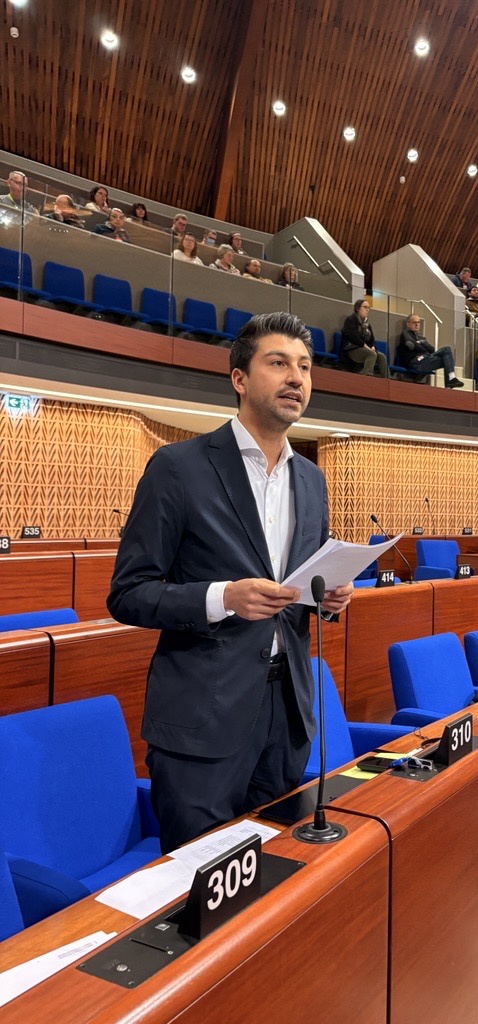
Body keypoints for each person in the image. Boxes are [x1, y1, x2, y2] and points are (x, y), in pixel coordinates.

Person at [107, 311, 354, 854]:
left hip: (287, 712)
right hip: (203, 715)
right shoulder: (178, 467)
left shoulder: (311, 479)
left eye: (306, 367)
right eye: (279, 363)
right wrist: (223, 597)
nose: (297, 378)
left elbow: (304, 582)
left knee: (276, 869)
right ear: (240, 379)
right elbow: (128, 593)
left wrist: (328, 599)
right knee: (200, 885)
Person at [397, 313, 464, 388]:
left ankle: (451, 378)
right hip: (416, 361)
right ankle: (449, 383)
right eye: (414, 322)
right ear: (408, 324)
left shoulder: (421, 338)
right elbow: (411, 345)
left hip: (426, 358)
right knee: (446, 360)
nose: (417, 324)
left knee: (447, 350)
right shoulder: (405, 333)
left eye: (418, 322)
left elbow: (432, 349)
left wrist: (420, 343)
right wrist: (422, 346)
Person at [340, 299, 388, 377]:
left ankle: (387, 381)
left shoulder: (367, 324)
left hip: (365, 349)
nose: (367, 310)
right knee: (371, 354)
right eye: (365, 307)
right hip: (352, 349)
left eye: (368, 308)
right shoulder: (350, 320)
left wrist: (372, 346)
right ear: (358, 308)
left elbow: (372, 339)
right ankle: (367, 377)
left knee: (382, 357)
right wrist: (366, 347)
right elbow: (353, 337)